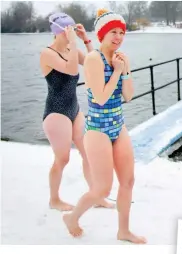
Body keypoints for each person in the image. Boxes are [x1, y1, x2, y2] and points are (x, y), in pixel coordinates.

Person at [63, 9, 146, 244]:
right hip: (98, 129)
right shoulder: (93, 59)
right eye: (113, 32)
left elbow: (128, 96)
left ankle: (124, 231)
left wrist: (126, 70)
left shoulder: (121, 58)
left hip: (118, 126)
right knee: (101, 189)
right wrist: (117, 71)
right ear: (102, 33)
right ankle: (72, 218)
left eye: (122, 32)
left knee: (128, 181)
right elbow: (99, 98)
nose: (118, 37)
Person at [40, 12, 112, 211]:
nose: (70, 32)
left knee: (88, 153)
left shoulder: (72, 48)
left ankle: (96, 196)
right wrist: (73, 44)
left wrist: (85, 40)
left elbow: (94, 61)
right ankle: (54, 200)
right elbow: (72, 70)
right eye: (68, 29)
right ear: (59, 32)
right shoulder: (47, 53)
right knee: (62, 159)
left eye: (72, 29)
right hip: (56, 112)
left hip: (74, 109)